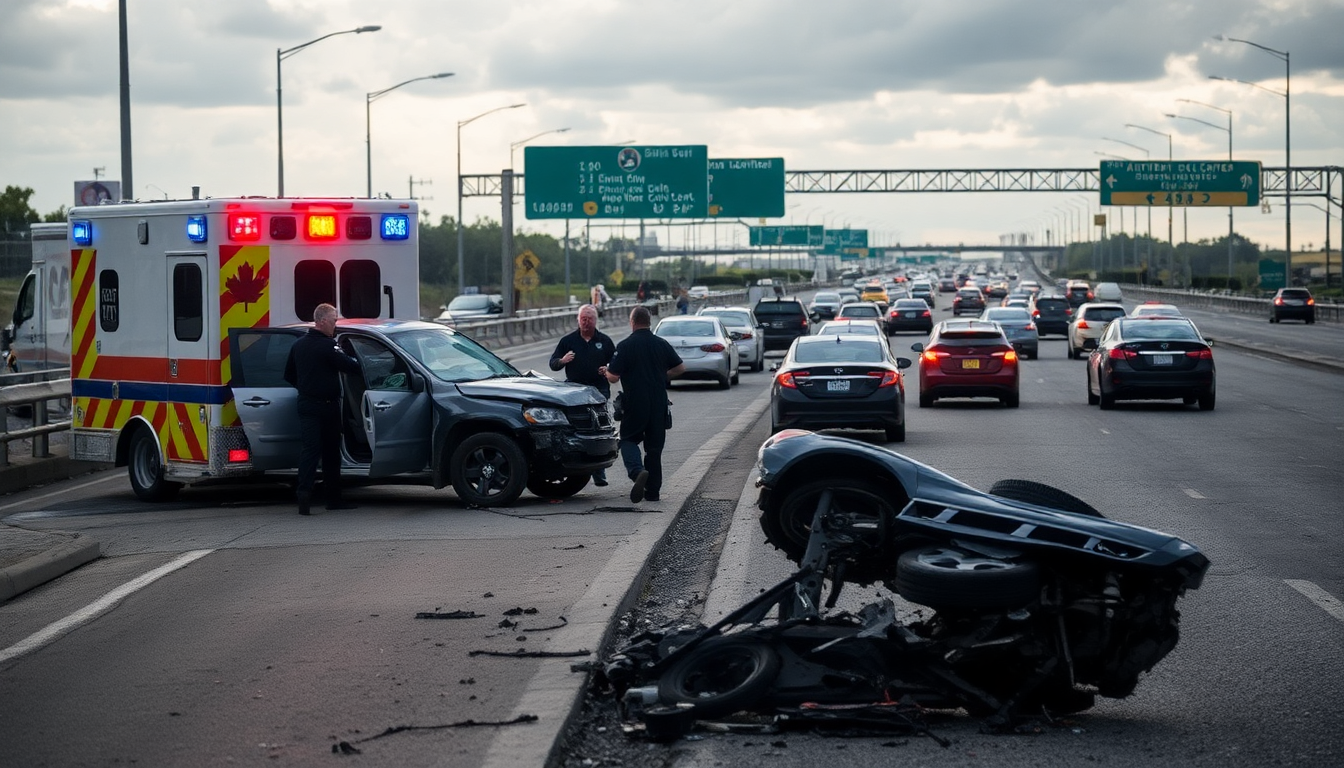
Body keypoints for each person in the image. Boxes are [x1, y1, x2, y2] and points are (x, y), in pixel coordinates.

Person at [283, 303, 363, 515]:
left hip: (307, 404)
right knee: (330, 454)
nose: (335, 326)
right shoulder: (328, 346)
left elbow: (289, 374)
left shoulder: (298, 345)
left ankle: (304, 498)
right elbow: (352, 366)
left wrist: (306, 388)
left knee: (309, 452)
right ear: (323, 321)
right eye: (334, 321)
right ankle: (333, 499)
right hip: (327, 407)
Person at [604, 306, 684, 503]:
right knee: (654, 449)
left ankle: (637, 471)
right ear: (650, 322)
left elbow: (613, 377)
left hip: (635, 402)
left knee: (628, 439)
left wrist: (606, 371)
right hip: (658, 402)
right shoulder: (661, 343)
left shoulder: (625, 345)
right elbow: (680, 367)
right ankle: (653, 492)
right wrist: (663, 376)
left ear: (632, 322)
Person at [549, 304, 616, 486]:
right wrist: (563, 361)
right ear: (578, 320)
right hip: (574, 392)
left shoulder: (605, 341)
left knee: (598, 430)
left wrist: (609, 368)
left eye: (590, 319)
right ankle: (574, 467)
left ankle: (599, 473)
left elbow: (616, 363)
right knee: (577, 431)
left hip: (598, 391)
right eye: (583, 319)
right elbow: (553, 363)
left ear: (596, 320)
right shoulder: (568, 341)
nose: (586, 323)